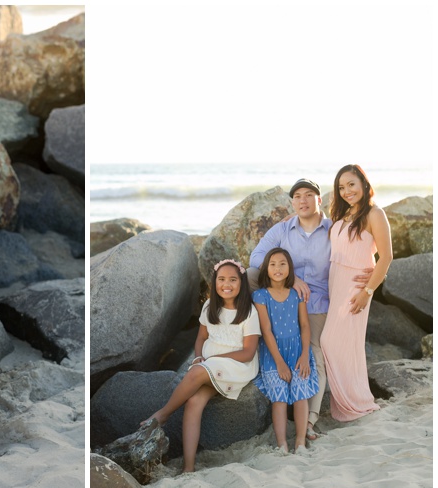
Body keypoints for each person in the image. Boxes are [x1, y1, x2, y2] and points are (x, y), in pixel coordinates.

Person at [248, 178, 371, 440]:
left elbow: (354, 253)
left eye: (308, 195)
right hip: (285, 294)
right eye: (297, 197)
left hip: (317, 302)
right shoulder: (283, 229)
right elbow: (257, 257)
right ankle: (246, 327)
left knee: (316, 353)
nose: (302, 201)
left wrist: (368, 275)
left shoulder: (333, 230)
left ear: (319, 199)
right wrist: (292, 279)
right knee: (248, 274)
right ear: (292, 202)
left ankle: (311, 420)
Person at [141, 259, 261, 472]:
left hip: (237, 365)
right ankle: (189, 467)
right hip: (209, 367)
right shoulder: (209, 306)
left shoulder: (248, 312)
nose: (227, 284)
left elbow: (248, 352)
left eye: (233, 279)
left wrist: (214, 359)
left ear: (242, 282)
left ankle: (164, 413)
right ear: (214, 282)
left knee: (198, 372)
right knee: (194, 401)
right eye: (222, 279)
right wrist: (198, 357)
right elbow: (200, 339)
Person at [320, 164, 392, 421]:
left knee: (331, 341)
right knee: (345, 344)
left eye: (351, 184)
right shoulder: (343, 214)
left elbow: (386, 256)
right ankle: (348, 400)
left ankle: (357, 401)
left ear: (363, 183)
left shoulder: (375, 213)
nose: (347, 191)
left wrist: (368, 289)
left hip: (356, 287)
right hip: (335, 283)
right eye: (341, 187)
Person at [253, 248, 319, 453]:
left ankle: (300, 441)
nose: (277, 268)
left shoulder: (296, 294)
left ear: (290, 268)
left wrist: (305, 356)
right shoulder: (260, 295)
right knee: (279, 397)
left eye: (282, 264)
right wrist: (280, 363)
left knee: (300, 394)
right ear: (266, 269)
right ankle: (282, 444)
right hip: (274, 355)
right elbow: (266, 331)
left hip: (298, 352)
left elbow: (305, 326)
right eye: (272, 264)